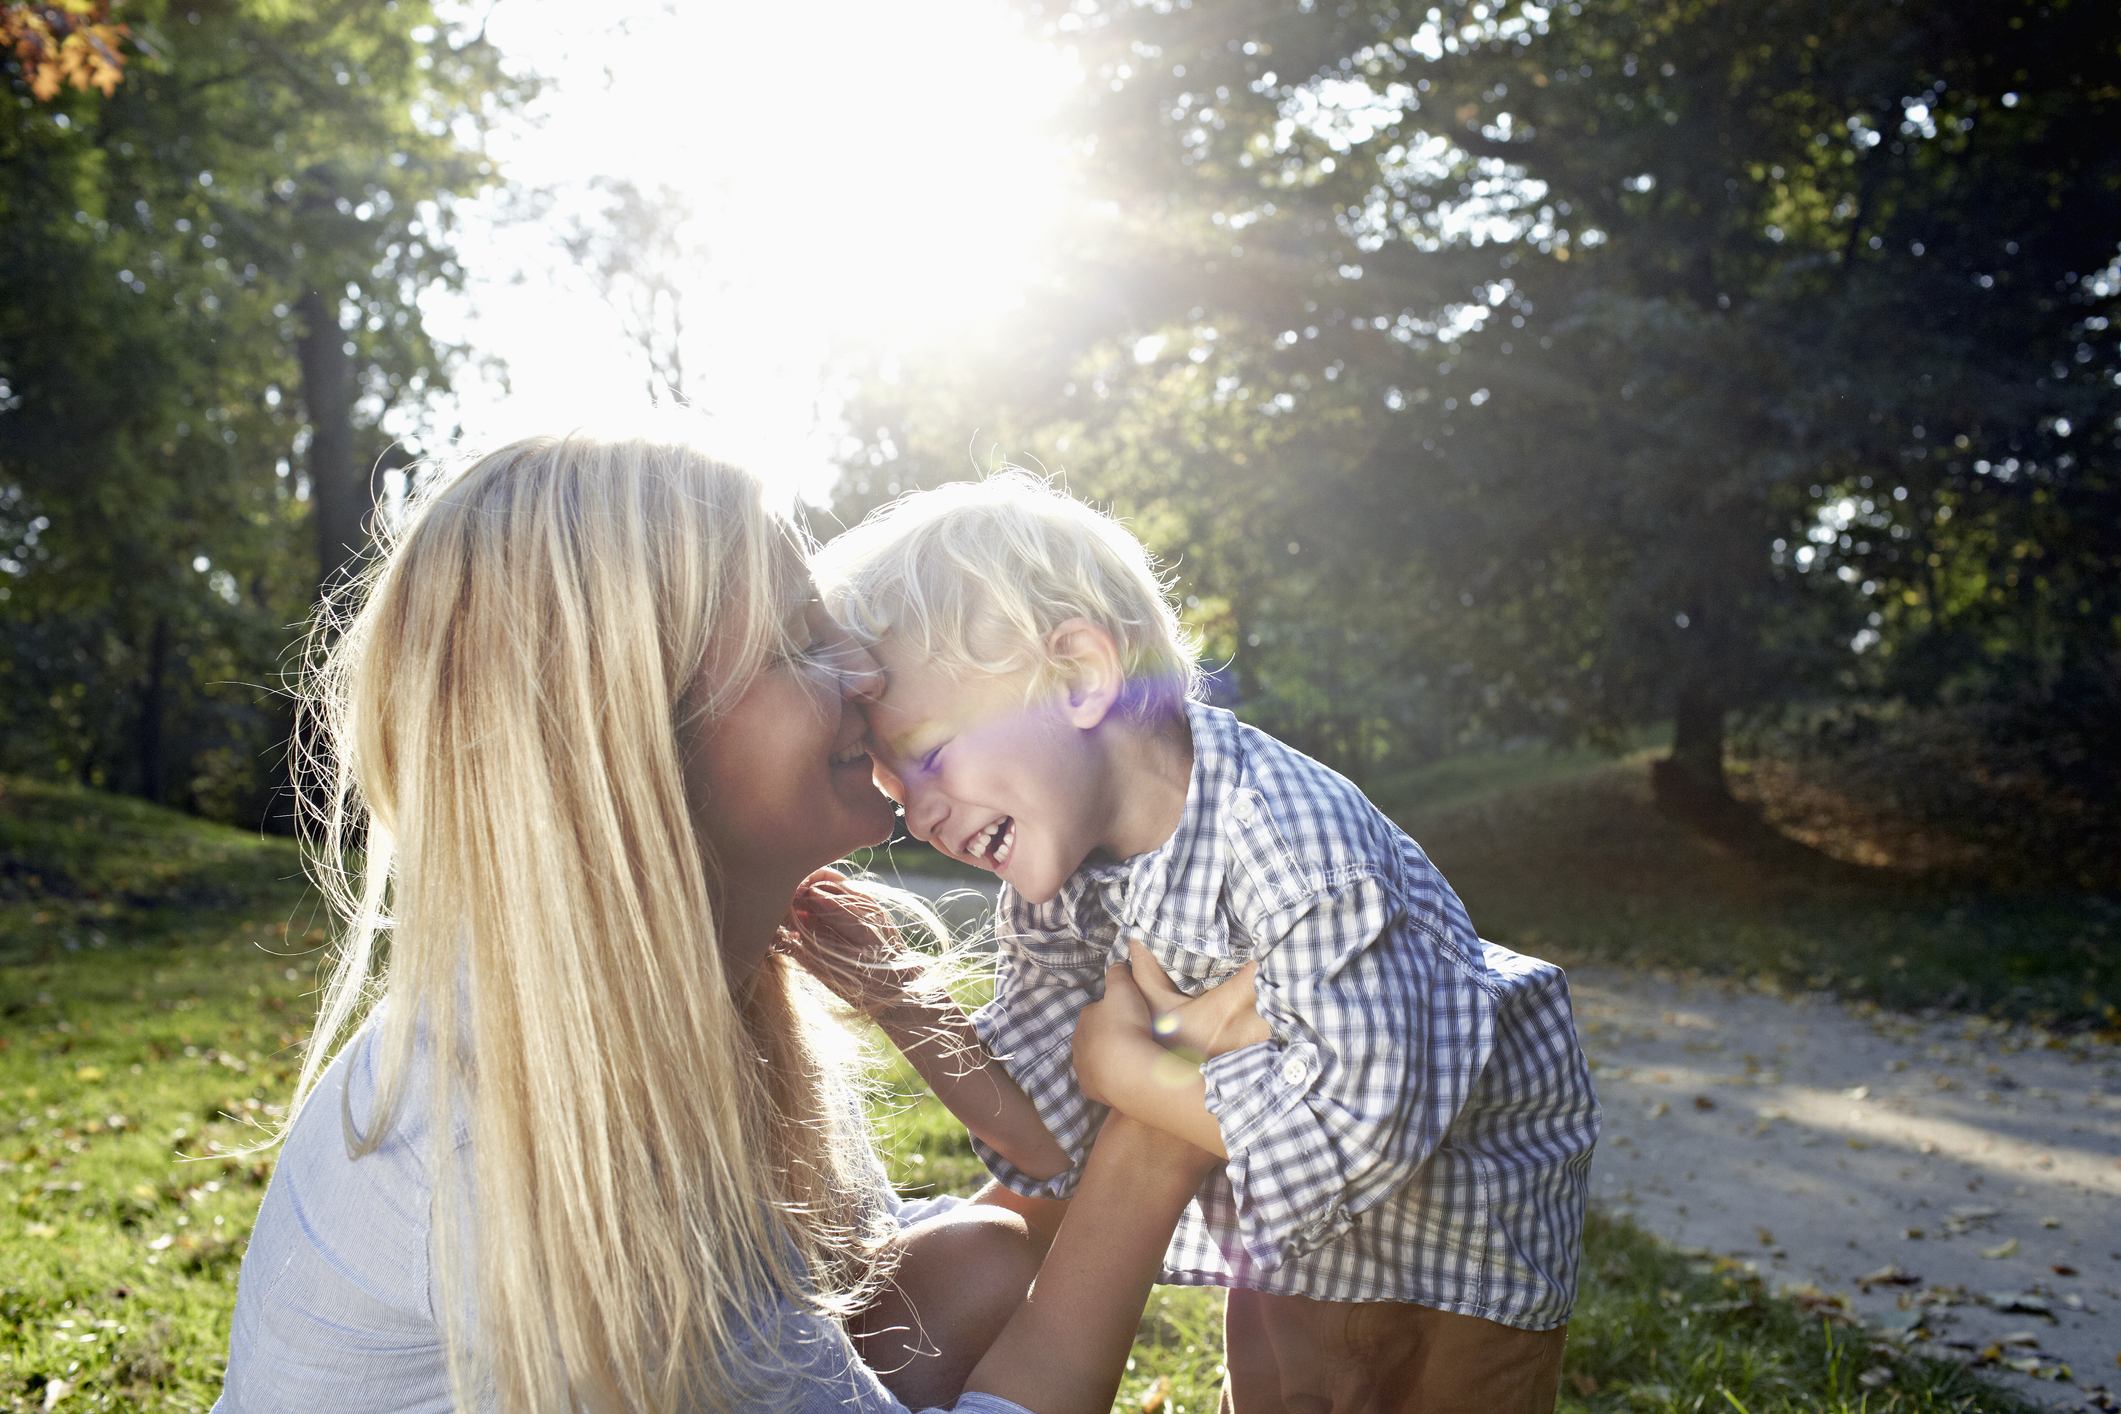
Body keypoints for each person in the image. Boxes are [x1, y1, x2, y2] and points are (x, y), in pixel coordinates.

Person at [212, 428, 1235, 1414]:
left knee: (982, 1263)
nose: (868, 671)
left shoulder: (697, 998)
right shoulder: (530, 1134)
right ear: (636, 747)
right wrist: (1154, 1145)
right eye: (797, 643)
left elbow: (833, 1286)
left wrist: (942, 1026)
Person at [813, 472, 1603, 1414]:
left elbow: (1361, 1134)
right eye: (900, 795)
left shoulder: (1294, 845)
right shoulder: (1061, 881)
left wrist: (1134, 1077)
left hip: (1454, 1250)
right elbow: (1043, 1135)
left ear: (1078, 677)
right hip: (1289, 1251)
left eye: (932, 757)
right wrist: (898, 992)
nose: (923, 816)